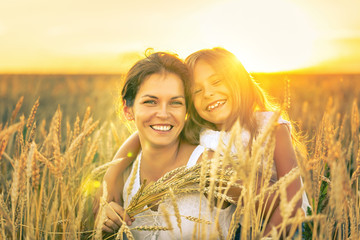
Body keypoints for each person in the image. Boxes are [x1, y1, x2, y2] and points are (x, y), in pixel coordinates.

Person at [102, 48, 310, 237]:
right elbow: (144, 135)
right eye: (197, 91)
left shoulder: (270, 128)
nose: (208, 93)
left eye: (217, 82)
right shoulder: (203, 132)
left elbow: (291, 199)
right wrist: (110, 175)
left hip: (284, 213)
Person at [96, 52, 236, 239]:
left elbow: (276, 203)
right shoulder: (124, 174)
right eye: (150, 102)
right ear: (128, 110)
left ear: (187, 111)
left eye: (175, 102)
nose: (163, 113)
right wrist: (105, 220)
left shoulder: (208, 165)